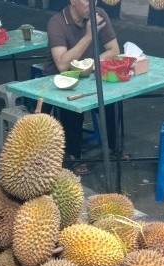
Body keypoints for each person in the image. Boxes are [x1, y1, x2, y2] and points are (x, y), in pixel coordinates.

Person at [44, 0, 121, 175]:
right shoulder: (57, 22)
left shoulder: (99, 15)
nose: (91, 4)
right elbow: (62, 65)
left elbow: (114, 50)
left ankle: (113, 148)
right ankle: (73, 157)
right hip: (58, 80)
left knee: (112, 97)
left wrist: (90, 64)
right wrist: (88, 36)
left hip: (88, 75)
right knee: (72, 109)